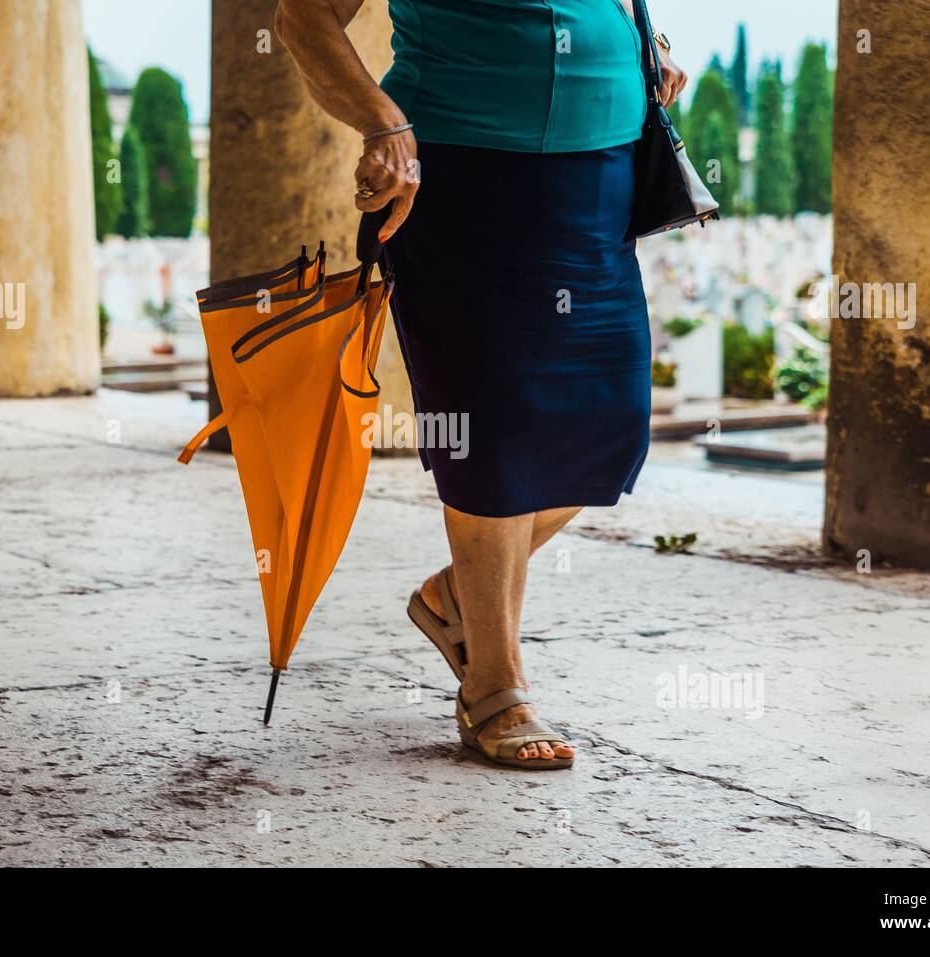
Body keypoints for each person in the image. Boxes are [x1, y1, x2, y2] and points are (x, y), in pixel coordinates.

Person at [276, 0, 688, 769]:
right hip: (463, 172)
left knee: (616, 424)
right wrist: (382, 121)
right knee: (494, 430)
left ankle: (459, 596)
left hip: (602, 174)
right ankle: (494, 684)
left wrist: (644, 45)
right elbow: (303, 17)